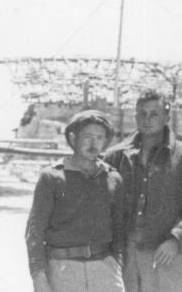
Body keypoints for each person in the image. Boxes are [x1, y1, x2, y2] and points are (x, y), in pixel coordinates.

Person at [103, 89, 182, 292]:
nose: (147, 119)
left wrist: (176, 239)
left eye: (154, 114)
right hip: (124, 254)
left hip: (167, 253)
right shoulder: (115, 157)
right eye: (142, 113)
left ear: (167, 117)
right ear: (135, 116)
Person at [25, 110, 125, 292]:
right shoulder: (52, 177)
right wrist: (38, 276)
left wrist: (116, 263)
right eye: (87, 137)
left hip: (104, 270)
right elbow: (35, 231)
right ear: (73, 138)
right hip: (63, 270)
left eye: (100, 138)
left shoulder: (113, 178)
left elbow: (120, 228)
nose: (94, 143)